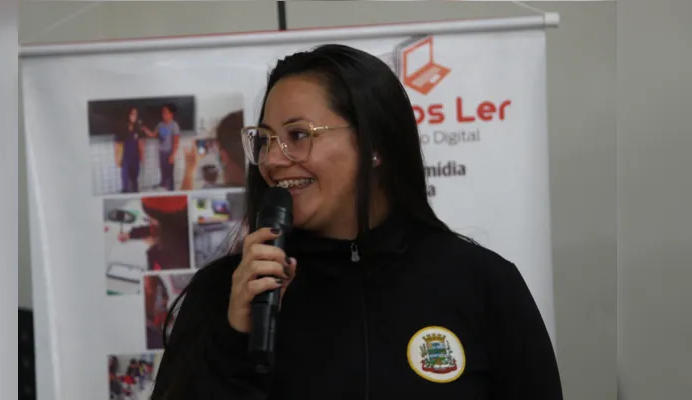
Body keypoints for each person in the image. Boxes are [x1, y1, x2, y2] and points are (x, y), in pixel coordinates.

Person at [150, 44, 562, 399]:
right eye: (266, 140)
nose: (273, 160)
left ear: (374, 145)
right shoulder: (227, 292)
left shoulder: (483, 284)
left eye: (297, 135)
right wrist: (233, 341)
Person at [143, 103, 180, 191]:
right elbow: (153, 135)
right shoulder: (160, 125)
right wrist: (145, 129)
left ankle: (171, 190)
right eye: (163, 112)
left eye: (166, 112)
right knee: (163, 170)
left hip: (169, 152)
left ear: (171, 114)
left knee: (169, 173)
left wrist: (172, 155)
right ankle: (163, 184)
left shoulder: (174, 125)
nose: (164, 114)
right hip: (161, 152)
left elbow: (176, 142)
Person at [114, 107, 145, 193]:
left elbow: (140, 143)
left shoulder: (138, 128)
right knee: (126, 182)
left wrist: (142, 156)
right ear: (128, 115)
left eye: (136, 114)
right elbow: (117, 144)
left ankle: (135, 192)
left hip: (135, 158)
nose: (135, 117)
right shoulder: (121, 128)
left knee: (135, 180)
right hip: (125, 158)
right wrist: (117, 159)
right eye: (133, 114)